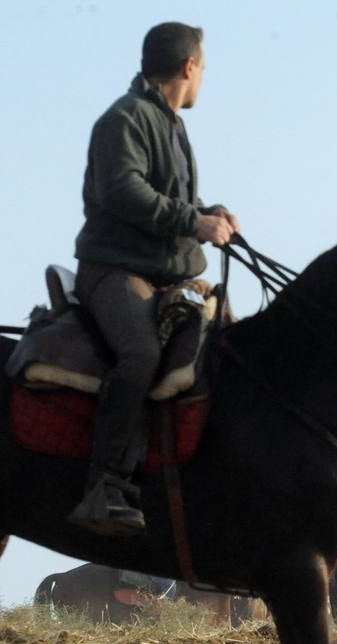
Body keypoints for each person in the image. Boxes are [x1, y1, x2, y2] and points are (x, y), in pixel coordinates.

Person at [69, 22, 239, 535]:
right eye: (204, 67)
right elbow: (123, 192)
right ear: (189, 67)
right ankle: (105, 486)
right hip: (116, 272)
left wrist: (211, 212)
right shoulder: (125, 119)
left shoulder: (169, 123)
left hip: (166, 277)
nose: (204, 76)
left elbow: (171, 200)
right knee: (140, 353)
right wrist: (195, 222)